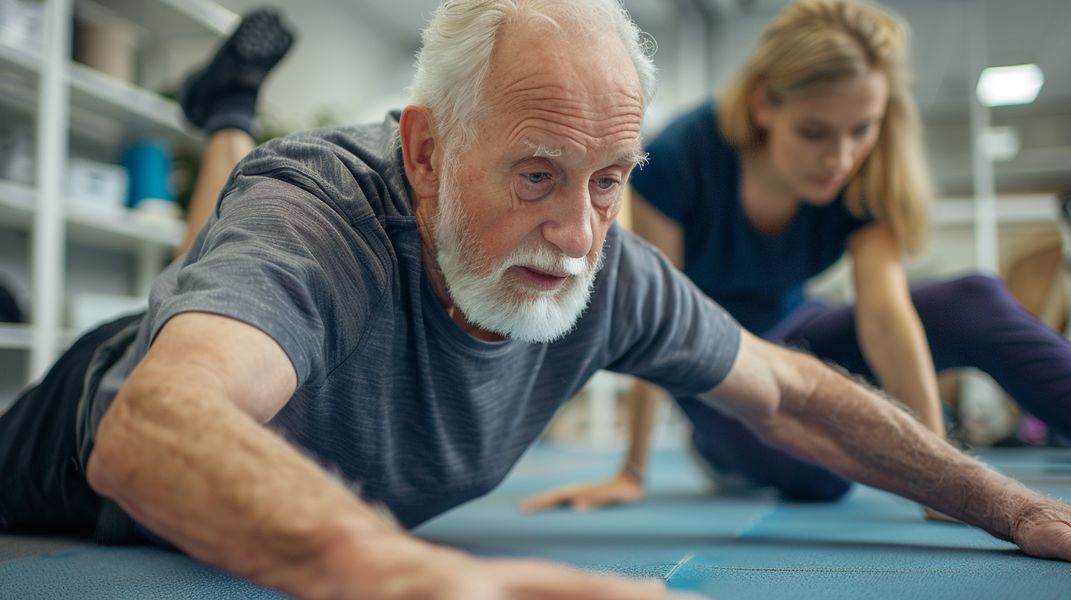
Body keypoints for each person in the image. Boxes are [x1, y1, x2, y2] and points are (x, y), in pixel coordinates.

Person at [2, 2, 1070, 599]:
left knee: (190, 278)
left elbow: (787, 393)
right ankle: (232, 111)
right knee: (184, 312)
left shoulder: (611, 269)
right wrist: (406, 575)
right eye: (534, 175)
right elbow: (151, 424)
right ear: (425, 149)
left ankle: (224, 107)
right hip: (63, 462)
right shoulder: (320, 215)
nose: (576, 236)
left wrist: (1009, 507)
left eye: (610, 178)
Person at [521, 0, 1071, 515]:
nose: (840, 157)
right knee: (820, 477)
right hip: (721, 370)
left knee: (973, 299)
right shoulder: (678, 159)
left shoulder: (865, 172)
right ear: (764, 104)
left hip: (806, 338)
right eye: (814, 132)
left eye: (862, 130)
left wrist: (941, 477)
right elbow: (652, 313)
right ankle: (715, 449)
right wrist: (632, 471)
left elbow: (885, 315)